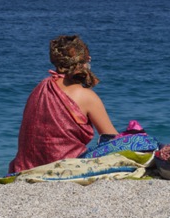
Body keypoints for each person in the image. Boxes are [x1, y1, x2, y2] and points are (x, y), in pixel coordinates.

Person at [8, 35, 118, 173]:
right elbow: (112, 139)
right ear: (87, 59)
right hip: (65, 169)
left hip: (25, 168)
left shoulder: (41, 87)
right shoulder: (86, 96)